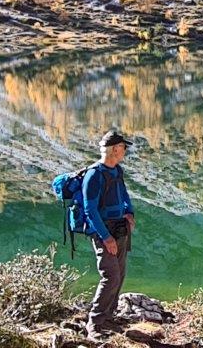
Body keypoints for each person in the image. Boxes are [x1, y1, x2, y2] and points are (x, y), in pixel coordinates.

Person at [84, 129, 136, 340]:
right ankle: (94, 323)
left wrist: (129, 212)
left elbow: (123, 194)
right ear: (115, 149)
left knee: (120, 274)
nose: (124, 151)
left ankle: (109, 316)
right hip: (104, 231)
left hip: (120, 228)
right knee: (110, 276)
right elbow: (90, 210)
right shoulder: (94, 175)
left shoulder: (117, 170)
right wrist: (106, 238)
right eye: (123, 148)